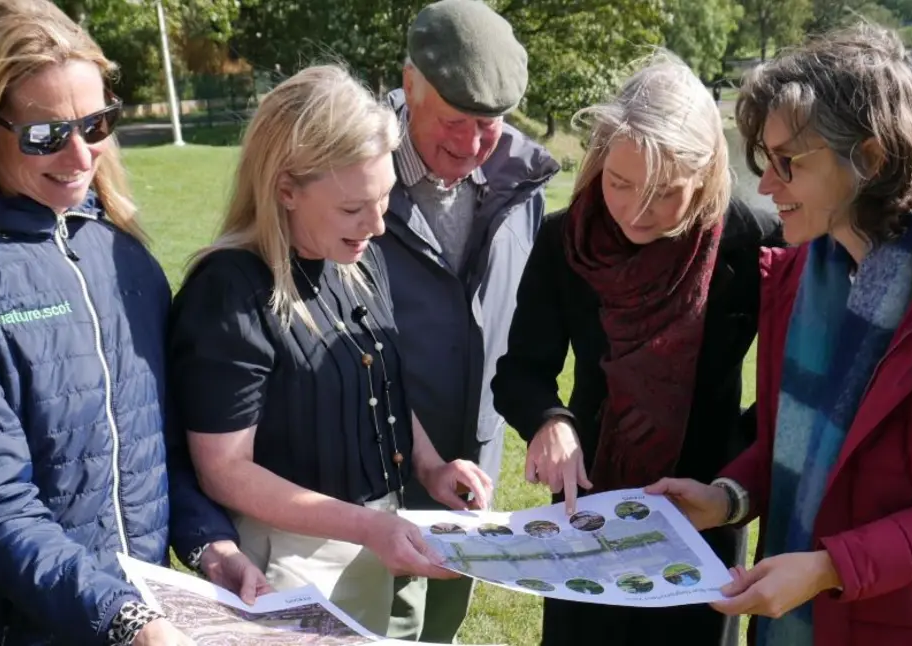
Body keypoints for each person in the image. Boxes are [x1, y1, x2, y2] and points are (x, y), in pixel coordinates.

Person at [649, 24, 912, 646]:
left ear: (872, 159)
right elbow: (800, 446)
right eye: (762, 159)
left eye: (788, 162)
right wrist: (727, 497)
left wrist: (830, 567)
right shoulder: (805, 271)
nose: (765, 185)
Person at [0, 1, 269, 645]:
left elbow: (162, 453)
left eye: (96, 124)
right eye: (45, 135)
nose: (80, 155)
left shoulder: (127, 257)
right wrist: (125, 619)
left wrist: (211, 544)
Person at [165, 64, 494, 637]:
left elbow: (381, 384)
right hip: (290, 564)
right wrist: (366, 528)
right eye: (352, 208)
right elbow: (223, 471)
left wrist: (430, 465)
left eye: (385, 198)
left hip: (378, 533)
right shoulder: (230, 290)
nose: (376, 224)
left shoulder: (358, 257)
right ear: (286, 188)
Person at [491, 52, 782, 646]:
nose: (635, 211)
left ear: (705, 176)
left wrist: (733, 479)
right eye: (620, 184)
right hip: (588, 508)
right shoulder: (565, 240)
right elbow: (521, 370)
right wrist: (550, 421)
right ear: (600, 162)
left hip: (700, 518)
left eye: (665, 194)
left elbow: (788, 396)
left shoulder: (751, 246)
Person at [376, 0, 561, 641]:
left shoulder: (522, 182)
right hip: (370, 458)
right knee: (378, 624)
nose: (472, 143)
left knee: (443, 623)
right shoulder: (352, 170)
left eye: (490, 124)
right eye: (454, 120)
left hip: (475, 457)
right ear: (409, 85)